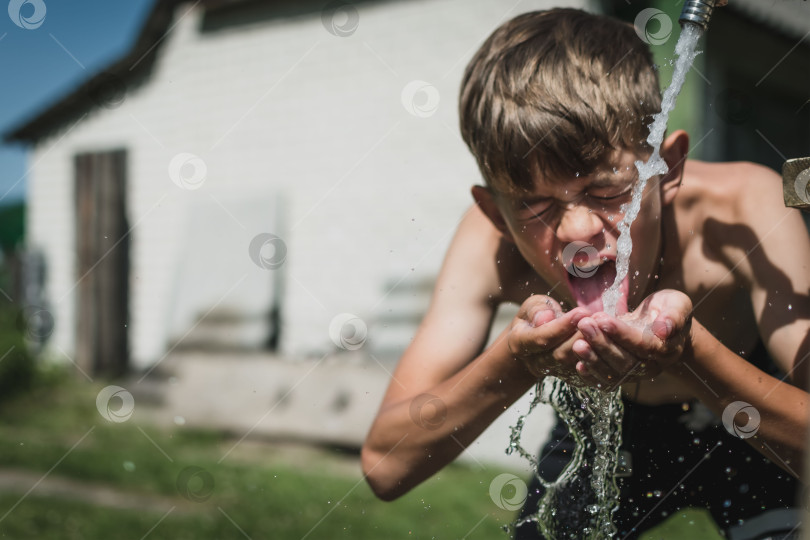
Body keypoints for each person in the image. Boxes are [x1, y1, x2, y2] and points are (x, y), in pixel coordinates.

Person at [361, 7, 808, 539]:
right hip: (602, 428)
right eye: (534, 205)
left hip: (750, 417)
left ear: (667, 169)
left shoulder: (744, 209)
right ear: (493, 211)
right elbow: (384, 465)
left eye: (605, 191)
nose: (576, 230)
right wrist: (516, 361)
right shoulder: (489, 243)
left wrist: (689, 357)